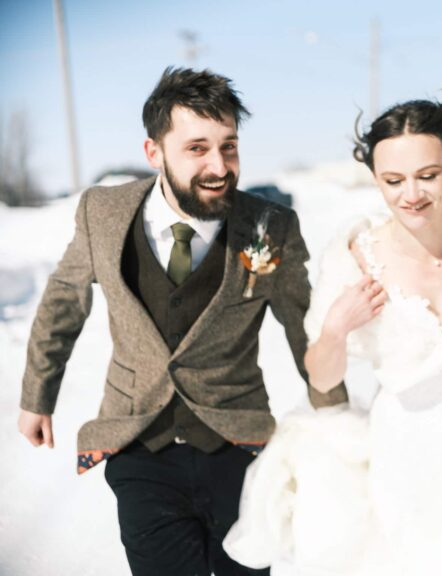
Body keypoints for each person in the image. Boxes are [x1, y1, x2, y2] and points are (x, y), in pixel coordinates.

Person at [17, 67, 347, 576]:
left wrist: (337, 421)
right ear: (155, 152)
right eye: (197, 148)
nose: (219, 166)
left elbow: (303, 325)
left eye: (229, 146)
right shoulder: (102, 213)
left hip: (238, 446)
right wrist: (38, 396)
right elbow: (64, 299)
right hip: (138, 444)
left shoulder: (271, 225)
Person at [224, 97, 442, 575]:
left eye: (427, 175)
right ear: (376, 179)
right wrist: (336, 328)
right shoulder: (356, 257)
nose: (411, 194)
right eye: (393, 180)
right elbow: (321, 378)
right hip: (409, 450)